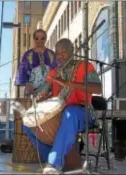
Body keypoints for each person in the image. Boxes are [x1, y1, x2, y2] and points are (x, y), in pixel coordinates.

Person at [23, 38, 102, 174]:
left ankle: (54, 163)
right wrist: (40, 95)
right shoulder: (54, 72)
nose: (59, 56)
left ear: (71, 51)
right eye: (57, 53)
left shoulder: (85, 66)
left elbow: (98, 88)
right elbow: (44, 91)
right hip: (59, 114)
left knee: (70, 113)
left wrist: (67, 83)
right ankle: (54, 158)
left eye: (63, 52)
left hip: (82, 112)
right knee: (29, 124)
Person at [15, 29, 58, 98]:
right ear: (34, 39)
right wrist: (28, 85)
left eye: (42, 38)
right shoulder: (27, 54)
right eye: (37, 38)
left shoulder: (52, 54)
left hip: (49, 92)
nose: (39, 40)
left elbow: (57, 71)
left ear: (45, 39)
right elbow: (22, 73)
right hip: (31, 92)